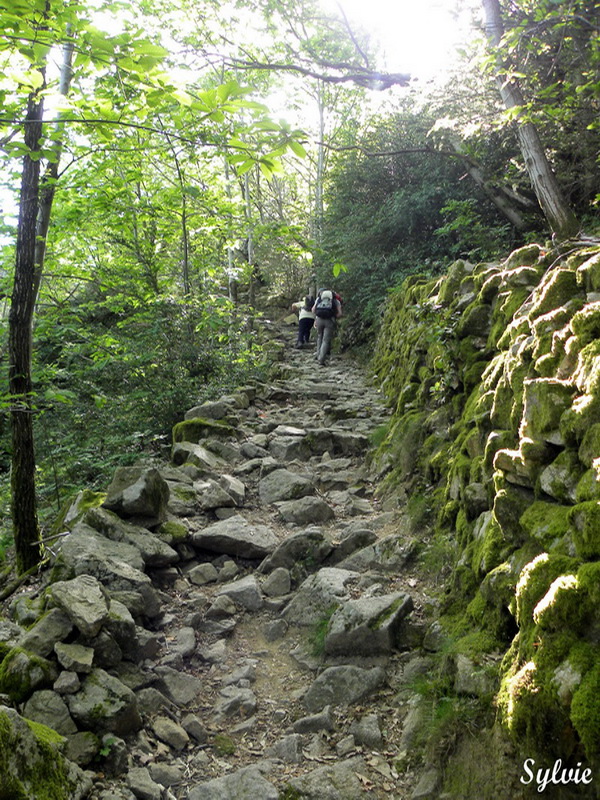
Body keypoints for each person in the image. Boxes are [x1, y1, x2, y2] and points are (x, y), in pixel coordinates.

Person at [312, 288, 342, 365]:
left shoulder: (319, 299)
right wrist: (334, 316)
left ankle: (318, 355)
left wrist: (317, 317)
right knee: (326, 340)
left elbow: (313, 310)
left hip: (319, 320)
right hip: (329, 321)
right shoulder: (335, 301)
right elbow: (339, 314)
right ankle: (321, 359)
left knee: (319, 337)